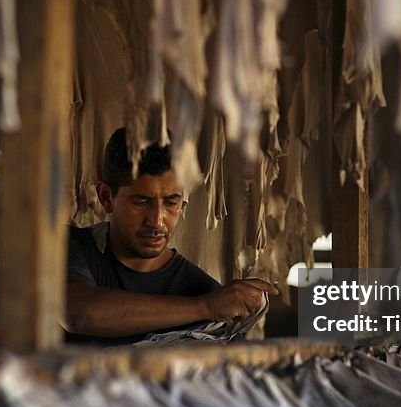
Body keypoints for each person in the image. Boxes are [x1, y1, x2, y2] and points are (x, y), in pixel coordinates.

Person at [64, 128, 277, 343]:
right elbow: (78, 314)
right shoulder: (69, 246)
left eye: (171, 202)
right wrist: (204, 307)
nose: (157, 221)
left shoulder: (203, 292)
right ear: (106, 197)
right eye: (141, 201)